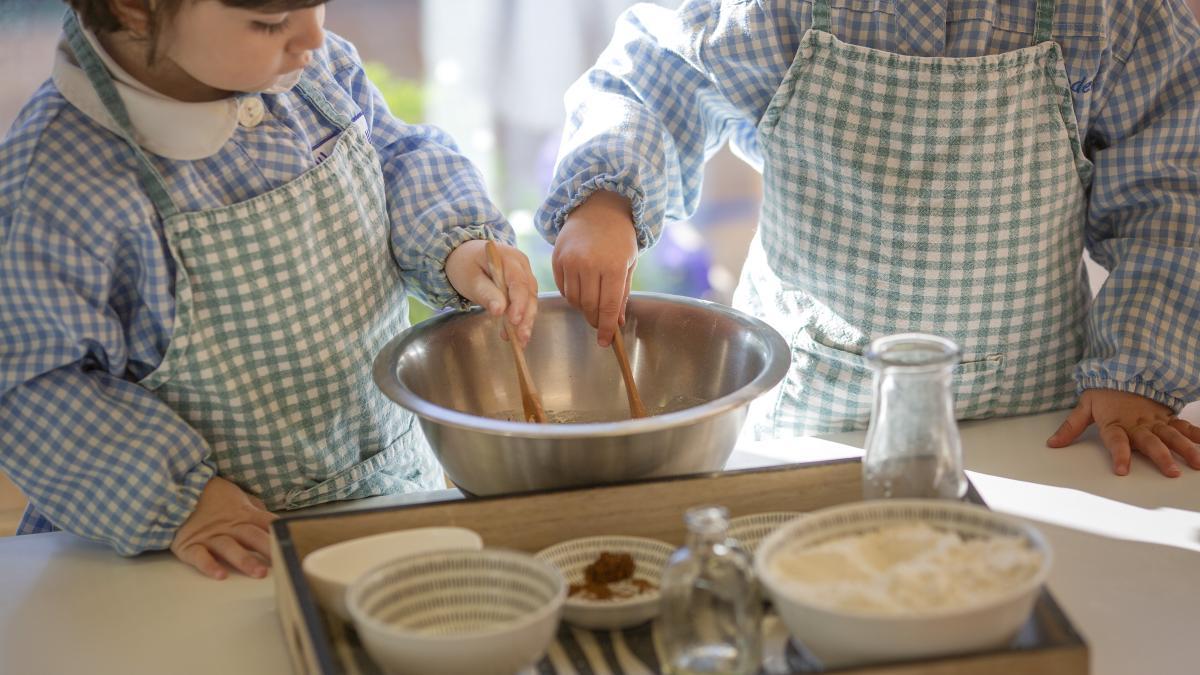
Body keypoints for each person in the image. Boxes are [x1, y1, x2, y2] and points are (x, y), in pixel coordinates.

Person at [537, 0, 1200, 477]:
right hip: (812, 428)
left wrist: (1136, 369)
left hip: (1043, 431)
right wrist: (606, 196)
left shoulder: (1113, 13)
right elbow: (656, 74)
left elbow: (1173, 191)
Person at [0, 0, 539, 579]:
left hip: (385, 492)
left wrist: (455, 246)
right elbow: (33, 384)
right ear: (135, 8)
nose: (313, 33)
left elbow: (398, 157)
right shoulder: (57, 182)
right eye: (269, 21)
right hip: (207, 550)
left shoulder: (313, 72)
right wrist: (180, 501)